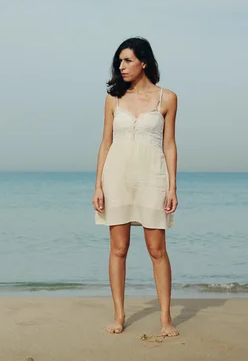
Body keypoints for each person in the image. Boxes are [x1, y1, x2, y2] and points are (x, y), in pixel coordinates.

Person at [92, 37, 179, 337]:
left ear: (144, 61)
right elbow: (105, 144)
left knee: (157, 250)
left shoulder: (166, 98)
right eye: (119, 61)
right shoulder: (112, 99)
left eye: (127, 60)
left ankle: (165, 319)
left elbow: (169, 145)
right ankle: (119, 315)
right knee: (119, 248)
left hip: (153, 178)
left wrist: (172, 187)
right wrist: (98, 186)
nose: (121, 66)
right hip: (116, 178)